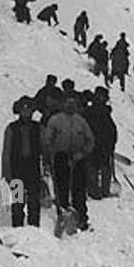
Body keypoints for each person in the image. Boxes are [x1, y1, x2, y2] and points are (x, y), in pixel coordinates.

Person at [43, 95, 95, 232]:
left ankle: (81, 218)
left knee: (79, 190)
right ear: (62, 104)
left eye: (73, 104)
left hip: (78, 158)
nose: (70, 106)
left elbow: (90, 140)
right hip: (60, 158)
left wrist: (82, 153)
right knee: (62, 188)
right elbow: (47, 140)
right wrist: (51, 153)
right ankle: (63, 215)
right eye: (67, 103)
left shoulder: (81, 122)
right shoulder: (55, 120)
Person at [2, 97, 43, 228]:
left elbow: (45, 148)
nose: (26, 113)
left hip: (33, 169)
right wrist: (7, 173)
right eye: (23, 109)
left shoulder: (38, 128)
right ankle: (18, 230)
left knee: (34, 203)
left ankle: (34, 231)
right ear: (18, 111)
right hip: (17, 170)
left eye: (29, 109)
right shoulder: (11, 128)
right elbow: (6, 152)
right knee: (18, 203)